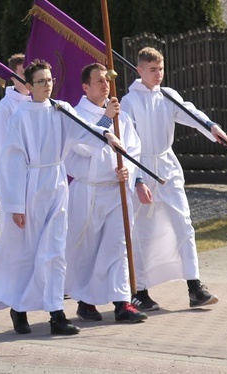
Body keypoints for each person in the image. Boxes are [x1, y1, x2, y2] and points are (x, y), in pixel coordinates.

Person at [0, 60, 125, 336]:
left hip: (57, 185)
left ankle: (56, 314)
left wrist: (107, 120)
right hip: (30, 187)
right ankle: (19, 307)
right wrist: (15, 205)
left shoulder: (62, 110)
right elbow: (11, 163)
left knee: (55, 252)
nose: (47, 85)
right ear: (30, 85)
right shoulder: (20, 117)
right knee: (27, 252)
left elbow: (87, 133)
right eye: (41, 81)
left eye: (49, 80)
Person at [121, 47, 226, 311]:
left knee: (184, 223)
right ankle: (140, 290)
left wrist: (211, 127)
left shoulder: (168, 96)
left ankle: (194, 286)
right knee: (142, 230)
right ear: (140, 70)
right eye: (153, 70)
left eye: (161, 69)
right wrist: (138, 181)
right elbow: (127, 143)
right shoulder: (129, 102)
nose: (158, 75)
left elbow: (190, 113)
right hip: (141, 166)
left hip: (167, 166)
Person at [64, 63, 148, 323]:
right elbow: (82, 145)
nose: (105, 85)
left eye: (107, 80)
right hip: (89, 191)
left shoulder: (120, 116)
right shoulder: (75, 114)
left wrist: (129, 173)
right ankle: (86, 301)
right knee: (88, 249)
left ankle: (122, 302)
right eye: (99, 81)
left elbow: (133, 148)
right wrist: (105, 119)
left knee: (118, 246)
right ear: (85, 86)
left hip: (116, 191)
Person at [0, 53, 31, 158]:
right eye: (23, 73)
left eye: (30, 73)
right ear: (13, 77)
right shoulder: (4, 108)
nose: (28, 78)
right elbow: (3, 149)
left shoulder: (39, 102)